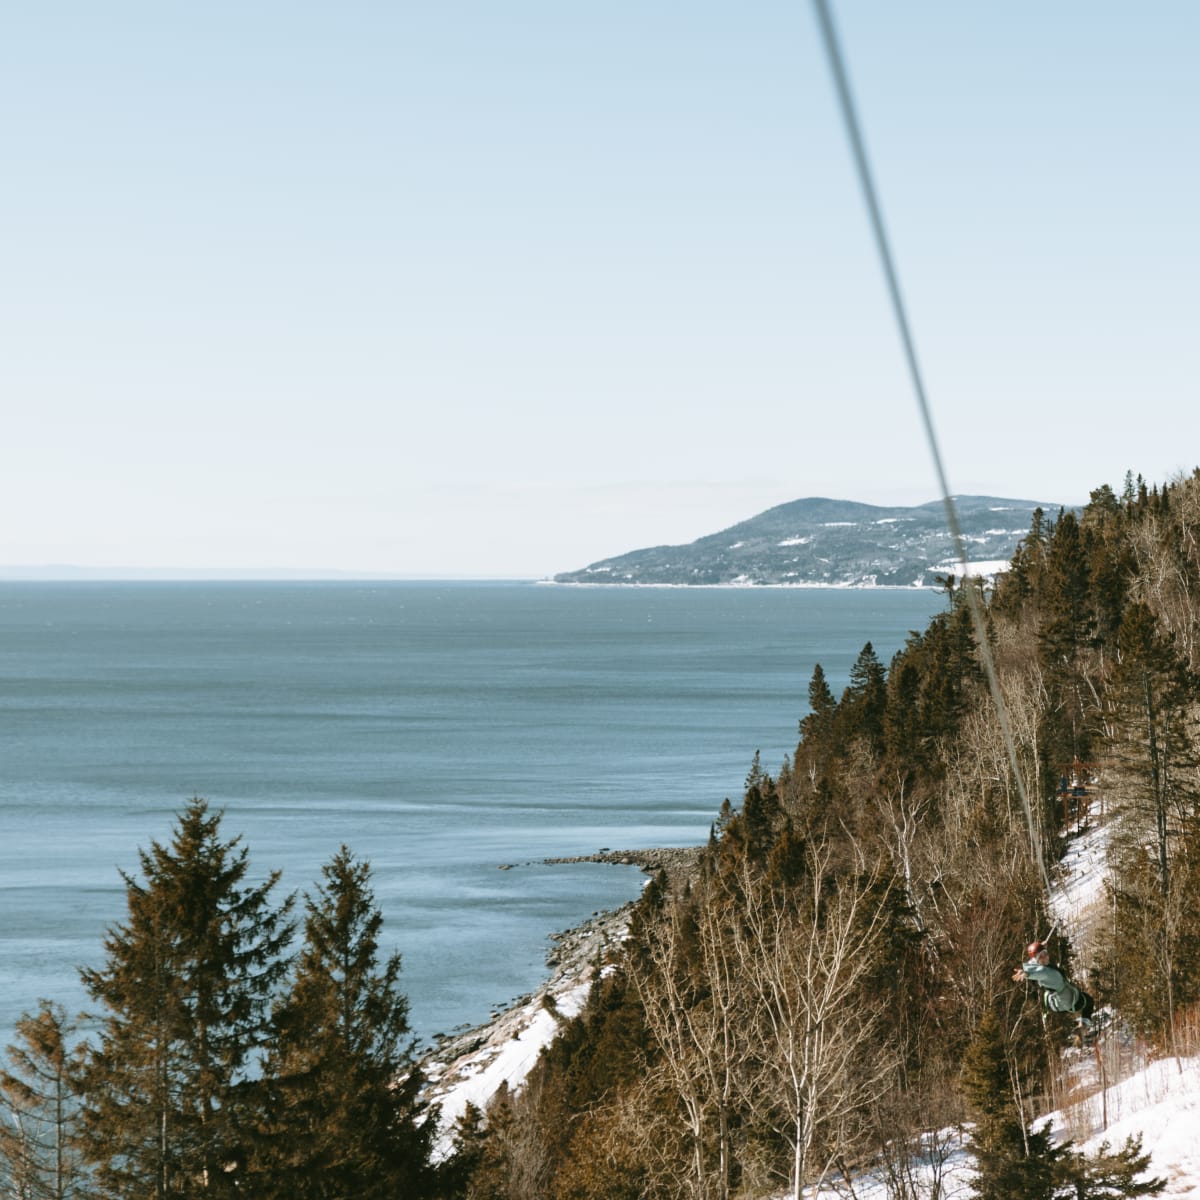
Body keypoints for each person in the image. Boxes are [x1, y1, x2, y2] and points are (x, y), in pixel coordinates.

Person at [1012, 941, 1095, 1023]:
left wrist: (1042, 948)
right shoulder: (1043, 971)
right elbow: (1036, 973)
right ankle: (1084, 1025)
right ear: (1036, 960)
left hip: (1057, 1003)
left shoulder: (1040, 965)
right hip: (1068, 1002)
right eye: (1041, 957)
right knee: (1088, 1000)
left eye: (1045, 954)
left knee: (1085, 999)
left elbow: (1033, 963)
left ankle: (1081, 1024)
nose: (1045, 957)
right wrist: (1026, 974)